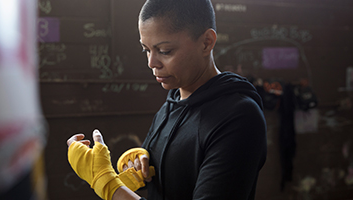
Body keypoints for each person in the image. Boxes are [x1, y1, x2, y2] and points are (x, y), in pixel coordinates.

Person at [67, 0, 267, 199]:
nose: (152, 63)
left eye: (165, 51)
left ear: (206, 42)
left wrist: (107, 183)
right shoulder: (173, 103)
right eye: (146, 49)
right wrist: (136, 168)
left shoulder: (239, 117)